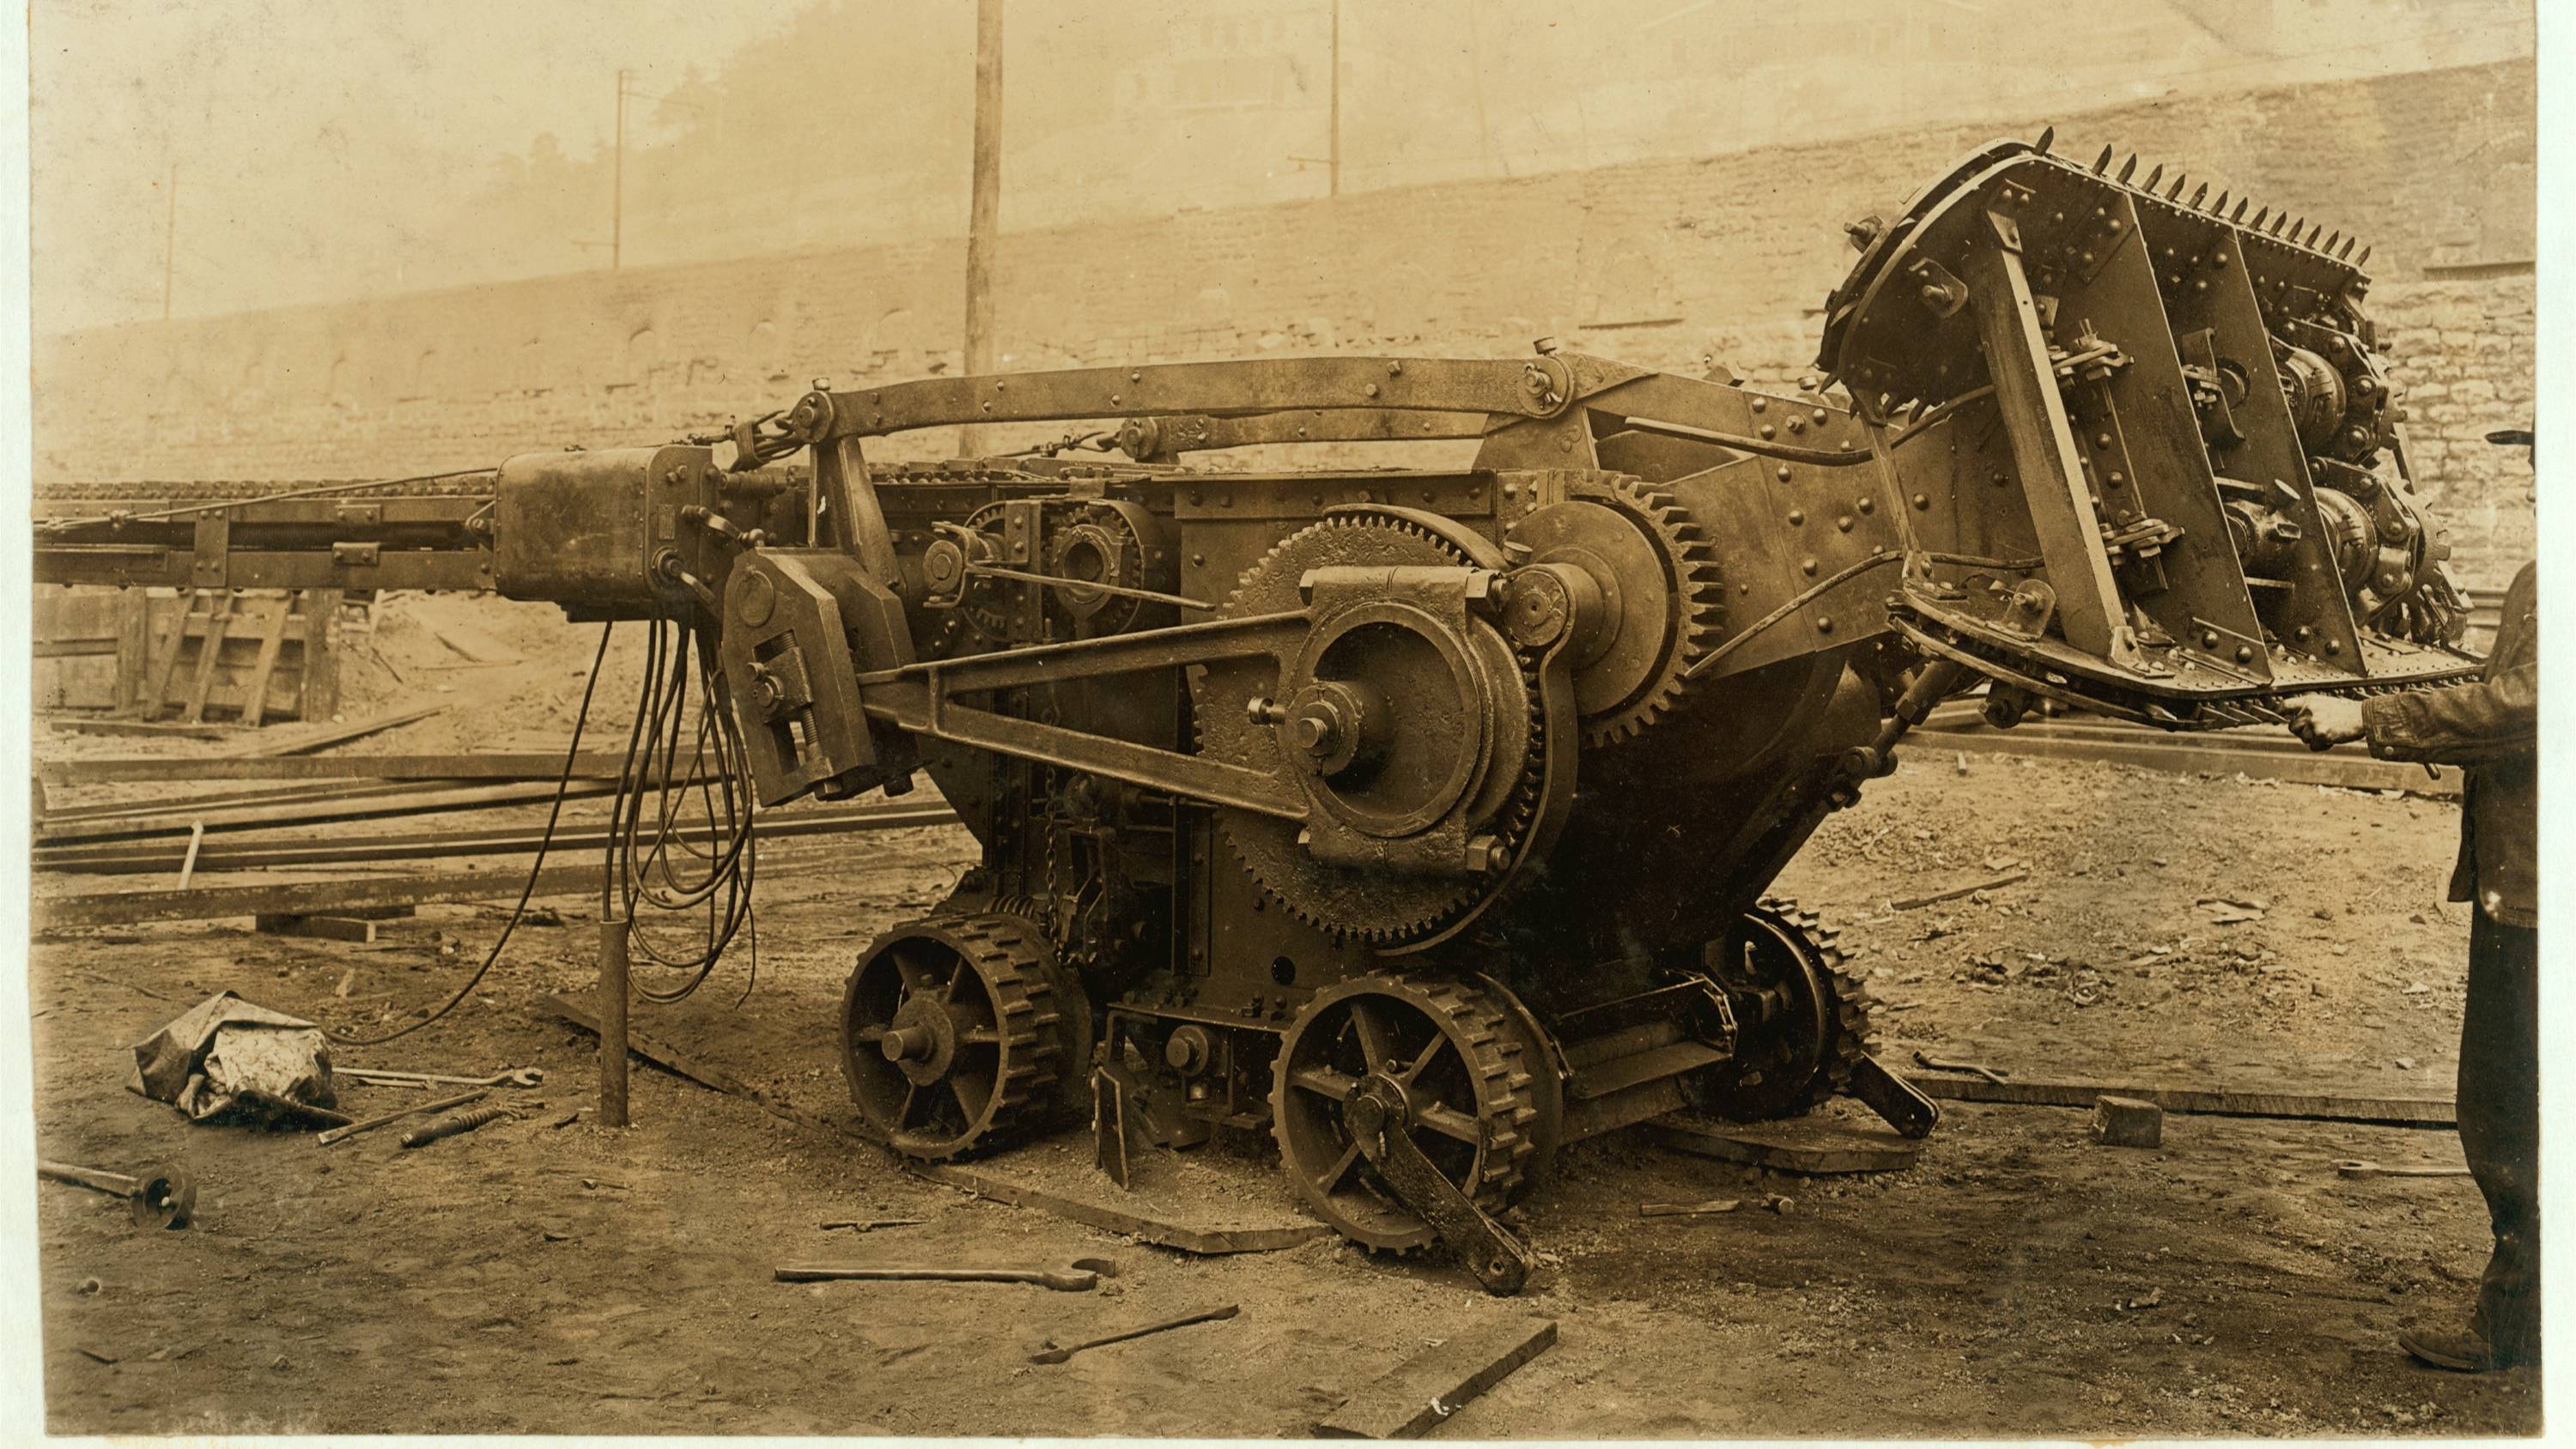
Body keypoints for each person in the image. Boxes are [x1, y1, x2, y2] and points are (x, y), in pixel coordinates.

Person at [2287, 426, 2538, 1373]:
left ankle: (2515, 1326)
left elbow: (2524, 705)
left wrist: (2367, 715)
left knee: (2509, 1104)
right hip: (2530, 875)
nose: (2534, 481)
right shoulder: (2541, 577)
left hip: (2539, 888)